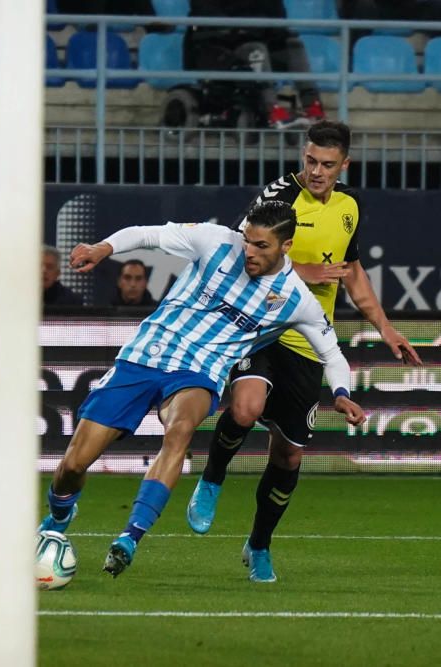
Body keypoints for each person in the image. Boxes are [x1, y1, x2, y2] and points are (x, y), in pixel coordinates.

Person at [37, 200, 366, 581]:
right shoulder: (214, 241)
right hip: (144, 357)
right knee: (74, 464)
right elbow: (147, 234)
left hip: (198, 373)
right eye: (248, 241)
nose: (250, 252)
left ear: (286, 247)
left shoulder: (296, 299)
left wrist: (341, 392)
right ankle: (61, 514)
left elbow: (332, 353)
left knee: (179, 432)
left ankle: (130, 537)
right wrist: (103, 248)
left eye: (261, 246)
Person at [185, 120, 422, 582]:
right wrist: (300, 270)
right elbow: (238, 257)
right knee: (246, 407)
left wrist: (387, 328)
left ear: (344, 165)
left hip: (310, 342)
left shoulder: (351, 205)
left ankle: (259, 546)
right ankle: (212, 477)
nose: (316, 171)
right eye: (310, 160)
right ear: (302, 155)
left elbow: (351, 271)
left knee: (288, 457)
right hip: (263, 329)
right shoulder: (277, 197)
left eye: (327, 165)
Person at [184, 1, 326, 129]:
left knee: (294, 45)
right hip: (221, 44)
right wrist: (245, 29)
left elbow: (277, 17)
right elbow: (206, 14)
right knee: (257, 49)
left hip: (258, 38)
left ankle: (313, 108)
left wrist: (274, 32)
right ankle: (272, 111)